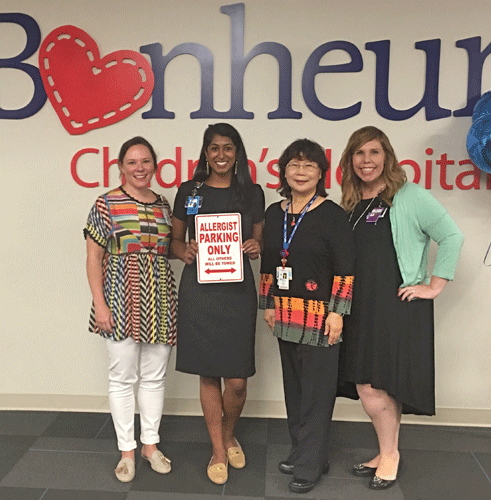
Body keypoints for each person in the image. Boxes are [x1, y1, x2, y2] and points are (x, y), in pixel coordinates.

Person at [337, 126, 464, 490]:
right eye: (359, 154)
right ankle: (386, 450)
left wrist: (434, 285)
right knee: (376, 385)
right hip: (359, 306)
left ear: (387, 157)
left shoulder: (408, 196)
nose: (366, 161)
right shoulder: (350, 201)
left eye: (373, 153)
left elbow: (452, 235)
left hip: (394, 305)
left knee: (376, 386)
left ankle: (390, 454)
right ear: (350, 160)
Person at [259, 139, 355, 494]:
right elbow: (270, 263)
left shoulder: (333, 215)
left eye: (309, 166)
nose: (301, 172)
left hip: (320, 317)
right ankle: (305, 451)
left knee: (317, 392)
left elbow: (346, 269)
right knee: (295, 389)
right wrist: (267, 304)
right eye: (294, 165)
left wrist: (338, 314)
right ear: (284, 170)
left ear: (321, 173)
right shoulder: (274, 213)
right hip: (284, 315)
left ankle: (310, 464)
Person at [171, 123, 265, 485]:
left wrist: (256, 247)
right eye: (214, 148)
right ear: (205, 152)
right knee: (209, 373)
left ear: (237, 152)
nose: (221, 155)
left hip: (238, 292)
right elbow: (172, 242)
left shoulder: (252, 192)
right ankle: (217, 448)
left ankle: (229, 434)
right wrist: (185, 250)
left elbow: (259, 242)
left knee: (237, 380)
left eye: (228, 148)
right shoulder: (188, 191)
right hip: (200, 291)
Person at [84, 137, 177, 483]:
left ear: (155, 165)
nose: (140, 168)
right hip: (118, 299)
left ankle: (150, 446)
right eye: (133, 162)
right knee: (122, 378)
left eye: (146, 161)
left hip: (160, 299)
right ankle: (127, 451)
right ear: (120, 166)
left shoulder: (164, 204)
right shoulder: (106, 203)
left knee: (154, 377)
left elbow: (167, 250)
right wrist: (100, 303)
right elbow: (94, 257)